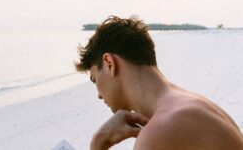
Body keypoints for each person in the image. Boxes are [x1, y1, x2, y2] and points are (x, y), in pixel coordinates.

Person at [75, 15, 243, 150]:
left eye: (94, 79)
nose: (98, 94)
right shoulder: (191, 105)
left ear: (109, 63)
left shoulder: (162, 128)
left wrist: (98, 144)